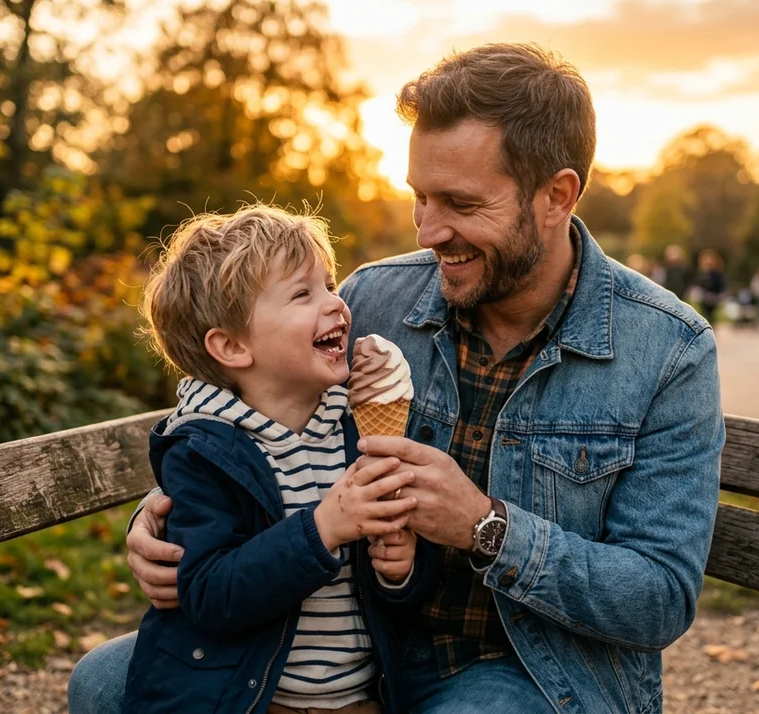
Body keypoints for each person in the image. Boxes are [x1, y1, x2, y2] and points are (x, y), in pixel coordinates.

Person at [71, 43, 724, 714]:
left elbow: (660, 598)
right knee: (101, 682)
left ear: (556, 196)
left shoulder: (667, 349)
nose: (430, 230)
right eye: (419, 198)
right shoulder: (375, 300)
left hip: (523, 668)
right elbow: (257, 417)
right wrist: (165, 524)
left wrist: (484, 526)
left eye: (461, 204)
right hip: (357, 645)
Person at [120, 206, 434, 714]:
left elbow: (391, 594)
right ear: (232, 346)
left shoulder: (352, 427)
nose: (337, 303)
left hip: (358, 699)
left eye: (329, 284)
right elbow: (209, 595)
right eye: (302, 293)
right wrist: (324, 528)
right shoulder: (205, 452)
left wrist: (401, 570)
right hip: (255, 699)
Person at [695, 249, 725, 327]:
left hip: (713, 296)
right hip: (704, 296)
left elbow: (720, 284)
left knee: (711, 315)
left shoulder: (716, 273)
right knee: (704, 314)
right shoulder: (702, 273)